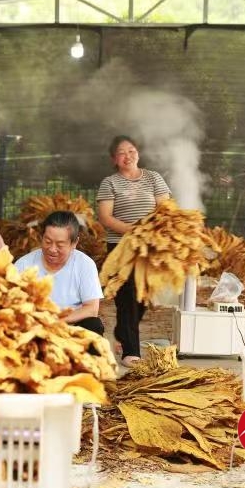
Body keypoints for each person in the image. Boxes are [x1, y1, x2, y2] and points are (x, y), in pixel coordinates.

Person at [97, 135, 171, 367]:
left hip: (149, 247)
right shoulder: (110, 183)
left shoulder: (153, 178)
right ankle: (131, 351)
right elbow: (105, 217)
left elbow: (165, 209)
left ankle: (122, 332)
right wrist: (134, 231)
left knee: (142, 297)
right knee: (127, 296)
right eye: (121, 153)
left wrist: (152, 232)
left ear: (138, 153)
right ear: (114, 159)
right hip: (121, 248)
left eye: (131, 151)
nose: (127, 156)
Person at [15, 211, 105, 335]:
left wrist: (56, 321)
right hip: (34, 326)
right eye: (47, 241)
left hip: (71, 326)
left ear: (74, 243)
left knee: (94, 325)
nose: (52, 249)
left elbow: (91, 309)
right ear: (41, 237)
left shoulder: (85, 264)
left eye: (60, 245)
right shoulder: (23, 264)